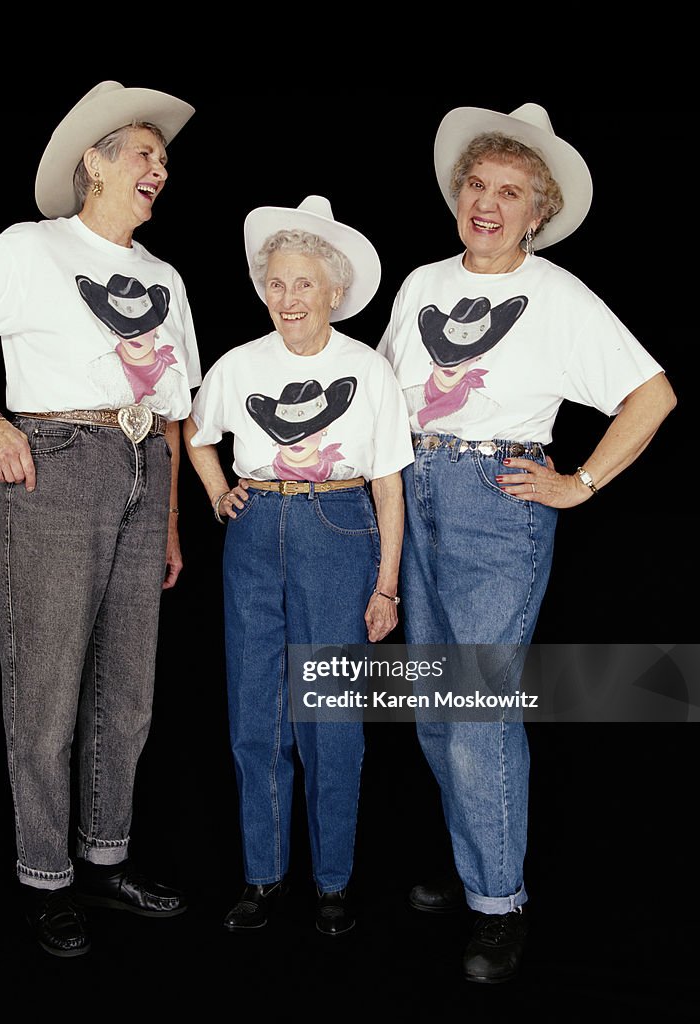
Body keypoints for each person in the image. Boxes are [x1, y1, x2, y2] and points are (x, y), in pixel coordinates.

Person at [0, 81, 201, 958]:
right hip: (60, 462)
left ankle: (106, 863)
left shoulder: (165, 276)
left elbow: (175, 412)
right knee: (47, 688)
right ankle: (45, 876)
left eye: (164, 160)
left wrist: (171, 520)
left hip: (146, 466)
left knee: (128, 692)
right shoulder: (32, 249)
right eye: (144, 153)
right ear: (93, 164)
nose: (160, 169)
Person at [377, 103, 676, 983]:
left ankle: (499, 904)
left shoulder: (559, 296)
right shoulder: (424, 283)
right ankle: (477, 862)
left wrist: (577, 484)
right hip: (413, 485)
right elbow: (384, 396)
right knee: (433, 704)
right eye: (477, 184)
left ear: (538, 212)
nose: (488, 202)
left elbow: (650, 396)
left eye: (510, 191)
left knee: (476, 709)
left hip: (493, 502)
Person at [184, 196, 413, 936]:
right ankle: (263, 876)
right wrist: (221, 494)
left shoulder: (367, 369)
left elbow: (388, 484)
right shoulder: (238, 364)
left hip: (339, 527)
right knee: (256, 711)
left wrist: (387, 584)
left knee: (333, 717)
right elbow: (196, 435)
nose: (288, 298)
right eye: (277, 283)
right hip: (256, 533)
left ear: (334, 291)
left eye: (304, 283)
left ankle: (334, 882)